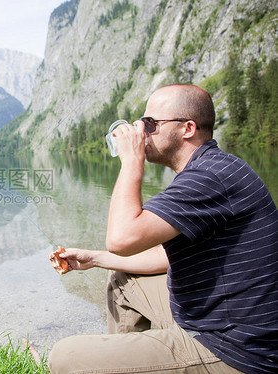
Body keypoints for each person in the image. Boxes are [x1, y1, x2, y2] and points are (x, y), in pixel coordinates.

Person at [48, 84, 278, 373]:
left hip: (235, 349)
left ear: (188, 129)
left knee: (66, 357)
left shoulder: (208, 178)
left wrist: (131, 161)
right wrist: (94, 259)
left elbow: (121, 239)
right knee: (124, 277)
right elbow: (167, 258)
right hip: (210, 319)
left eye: (150, 123)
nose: (141, 131)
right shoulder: (210, 169)